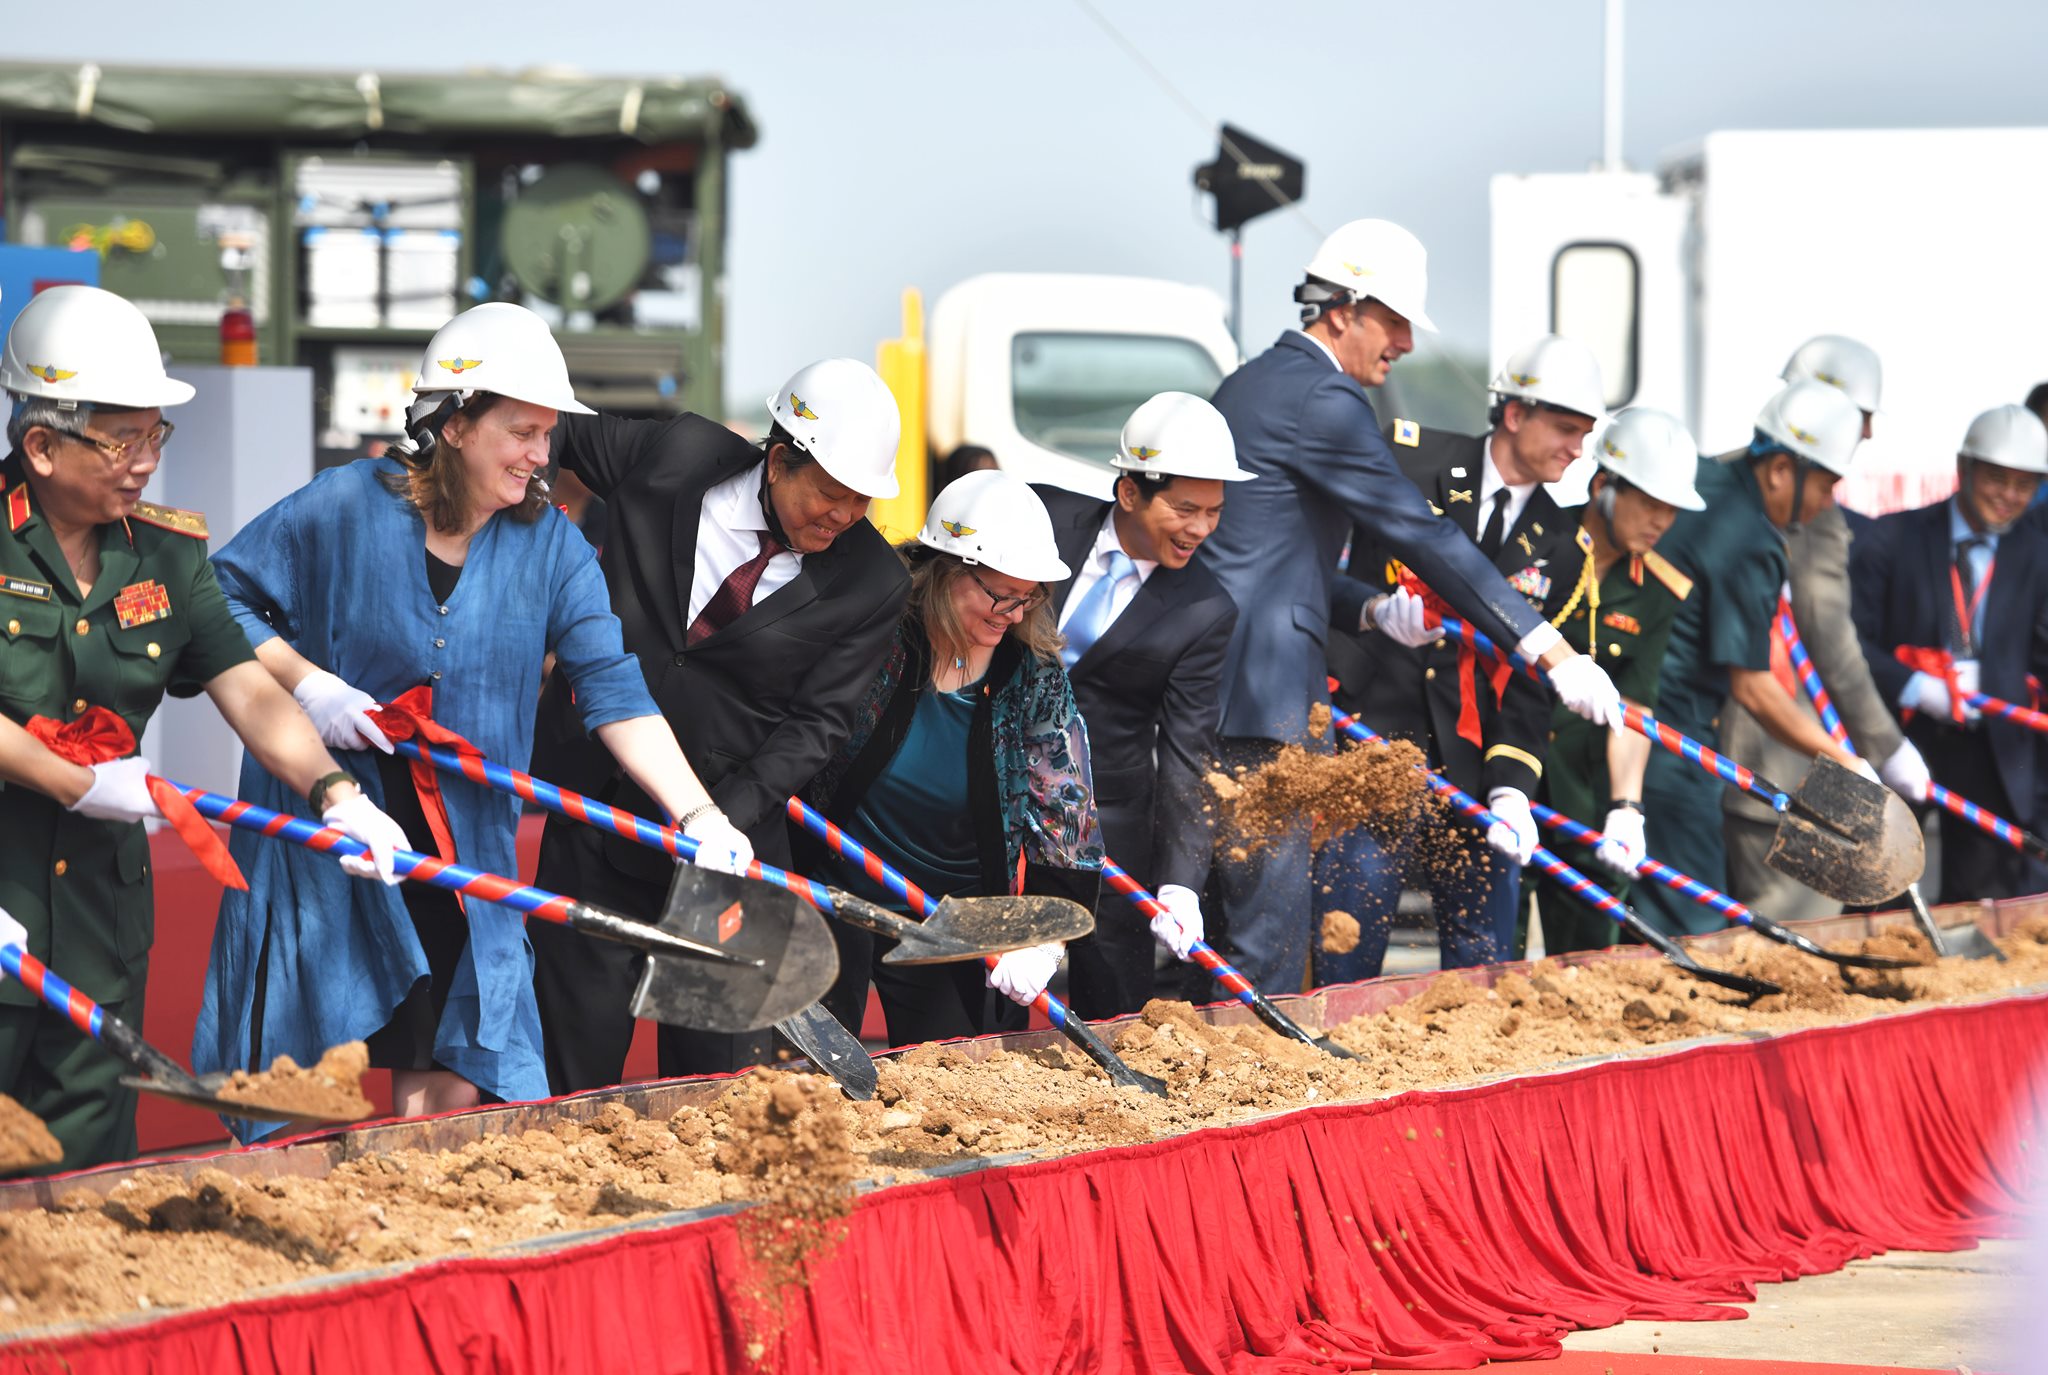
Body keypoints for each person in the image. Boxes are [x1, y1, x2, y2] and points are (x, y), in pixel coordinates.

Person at [194, 303, 744, 1133]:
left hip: (462, 842)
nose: (541, 456)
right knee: (291, 1061)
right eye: (521, 432)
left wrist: (696, 810)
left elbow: (613, 687)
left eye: (547, 435)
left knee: (445, 1058)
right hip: (337, 824)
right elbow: (216, 599)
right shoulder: (345, 505)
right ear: (453, 424)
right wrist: (309, 684)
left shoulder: (555, 550)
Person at [0, 285, 408, 1171]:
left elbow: (252, 693)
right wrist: (72, 778)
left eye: (156, 435)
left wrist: (334, 794)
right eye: (122, 439)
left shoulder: (168, 556)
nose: (145, 460)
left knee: (81, 1170)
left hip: (97, 917)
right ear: (40, 443)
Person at [1198, 219, 1624, 990]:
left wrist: (1366, 611)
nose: (1406, 343)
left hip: (1232, 686)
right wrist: (1550, 651)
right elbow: (1421, 535)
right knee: (1272, 938)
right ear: (1343, 310)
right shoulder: (1323, 399)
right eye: (1394, 321)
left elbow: (1273, 558)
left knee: (1250, 931)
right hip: (1259, 699)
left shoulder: (1259, 380)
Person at [528, 358, 910, 1090]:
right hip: (596, 815)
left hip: (731, 851)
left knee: (721, 1088)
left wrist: (719, 822)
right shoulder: (678, 456)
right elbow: (553, 433)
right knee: (572, 1066)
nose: (845, 516)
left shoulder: (872, 581)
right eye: (831, 495)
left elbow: (816, 724)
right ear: (778, 460)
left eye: (862, 502)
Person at [1320, 335, 1606, 977]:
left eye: (1586, 434)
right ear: (1514, 414)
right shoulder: (1406, 459)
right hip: (1373, 747)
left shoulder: (1564, 547)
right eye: (1565, 428)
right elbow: (1318, 566)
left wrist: (1511, 791)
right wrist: (1372, 606)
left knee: (1482, 969)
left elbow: (1534, 687)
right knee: (1344, 952)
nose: (1577, 449)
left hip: (1476, 772)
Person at [803, 470, 1102, 1044]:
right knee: (817, 1071)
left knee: (953, 1068)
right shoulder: (878, 631)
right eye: (997, 594)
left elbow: (1068, 808)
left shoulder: (1032, 678)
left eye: (1028, 597)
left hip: (956, 911)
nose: (1012, 614)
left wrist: (1046, 932)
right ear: (945, 571)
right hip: (836, 880)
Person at [1034, 392, 1246, 1015]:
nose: (1201, 529)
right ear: (1130, 492)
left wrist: (1181, 883)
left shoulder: (1206, 610)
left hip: (1112, 818)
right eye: (1185, 508)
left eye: (1214, 512)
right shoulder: (1043, 517)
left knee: (1116, 1006)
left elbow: (1187, 751)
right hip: (990, 797)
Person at [1636, 380, 1872, 936]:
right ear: (1780, 471)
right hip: (1672, 750)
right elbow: (1755, 689)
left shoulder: (1700, 478)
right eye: (1824, 485)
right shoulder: (1750, 541)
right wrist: (1845, 760)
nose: (1826, 504)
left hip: (1615, 730)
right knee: (1692, 931)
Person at [1720, 335, 1925, 919]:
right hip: (1783, 756)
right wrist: (1888, 748)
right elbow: (1831, 644)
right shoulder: (1811, 509)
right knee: (1797, 937)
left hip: (1708, 746)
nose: (1865, 435)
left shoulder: (1721, 476)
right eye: (1860, 417)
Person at [1851, 404, 2048, 901]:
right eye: (1997, 479)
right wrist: (1914, 684)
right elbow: (1849, 643)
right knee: (1877, 896)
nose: (2008, 497)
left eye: (2024, 485)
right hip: (1900, 740)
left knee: (1983, 914)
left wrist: (2004, 683)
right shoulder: (1892, 537)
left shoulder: (2038, 554)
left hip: (1993, 752)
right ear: (1964, 468)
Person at [1527, 408, 1704, 954]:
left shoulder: (1657, 588)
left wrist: (1627, 808)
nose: (1660, 522)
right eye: (1649, 504)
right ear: (1604, 485)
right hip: (1515, 773)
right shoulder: (1537, 542)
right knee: (1492, 958)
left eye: (1671, 510)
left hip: (1586, 785)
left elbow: (1636, 706)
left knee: (1591, 956)